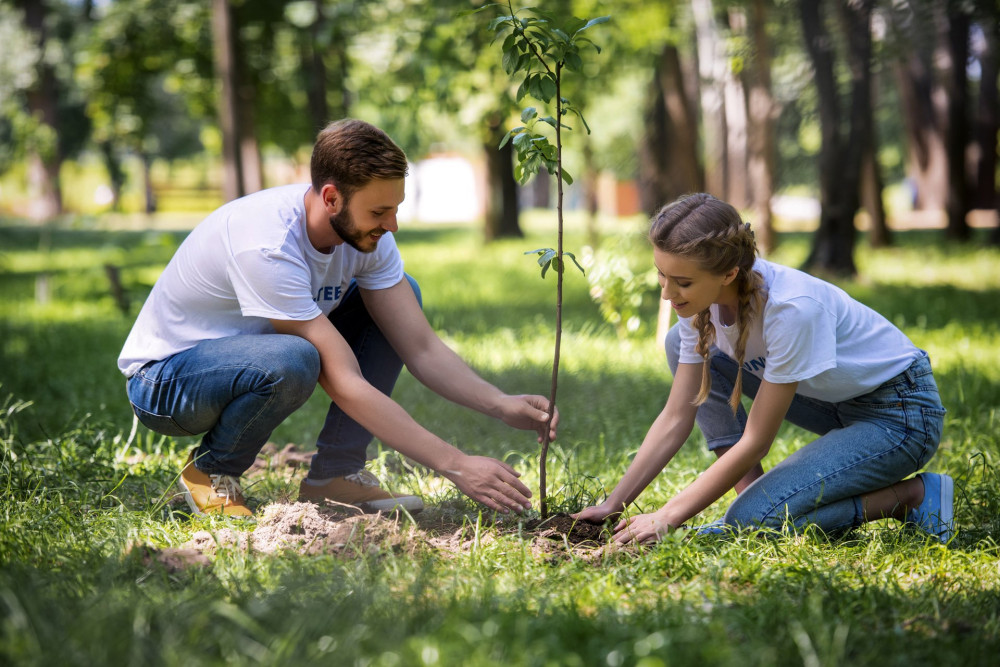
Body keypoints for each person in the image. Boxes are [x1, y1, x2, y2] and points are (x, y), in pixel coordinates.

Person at [118, 119, 557, 518]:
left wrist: (501, 403)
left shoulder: (369, 237)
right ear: (332, 197)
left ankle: (336, 476)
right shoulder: (268, 243)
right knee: (295, 359)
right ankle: (211, 471)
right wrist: (456, 465)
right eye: (379, 212)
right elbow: (344, 381)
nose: (393, 226)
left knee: (401, 294)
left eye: (395, 208)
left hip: (247, 360)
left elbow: (420, 347)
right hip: (166, 382)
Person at [574, 193, 953, 543]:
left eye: (683, 282)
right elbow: (677, 417)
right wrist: (614, 503)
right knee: (678, 343)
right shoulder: (695, 306)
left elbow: (757, 439)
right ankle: (752, 497)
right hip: (833, 403)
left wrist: (669, 515)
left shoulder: (791, 309)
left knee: (752, 524)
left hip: (899, 416)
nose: (667, 293)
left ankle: (912, 497)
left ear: (728, 274)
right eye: (661, 274)